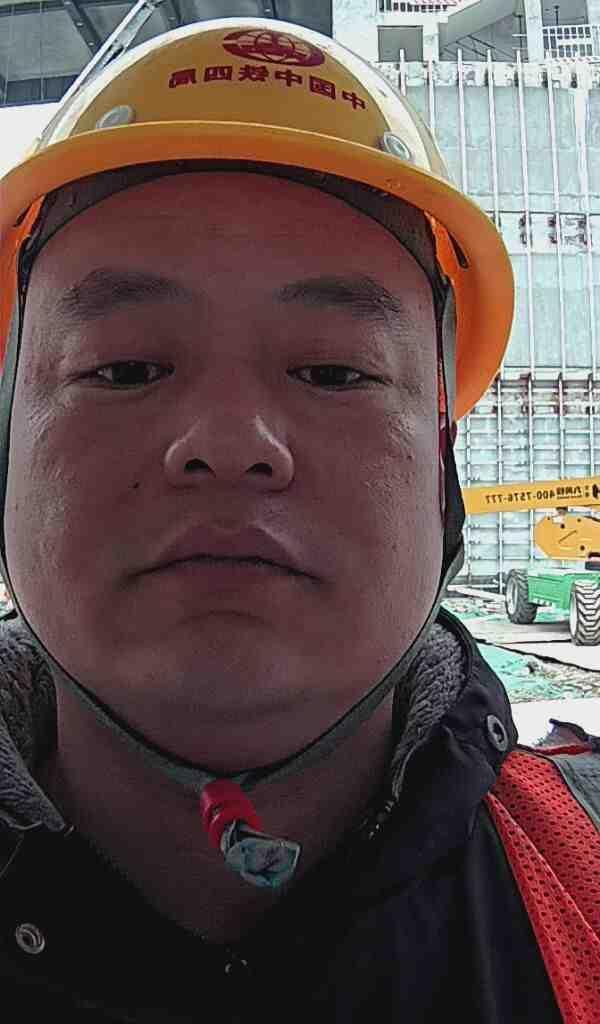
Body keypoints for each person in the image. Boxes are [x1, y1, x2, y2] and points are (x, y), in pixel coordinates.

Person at [0, 17, 597, 1023]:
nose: (231, 442)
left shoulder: (580, 882)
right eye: (126, 368)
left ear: (440, 459)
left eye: (333, 371)